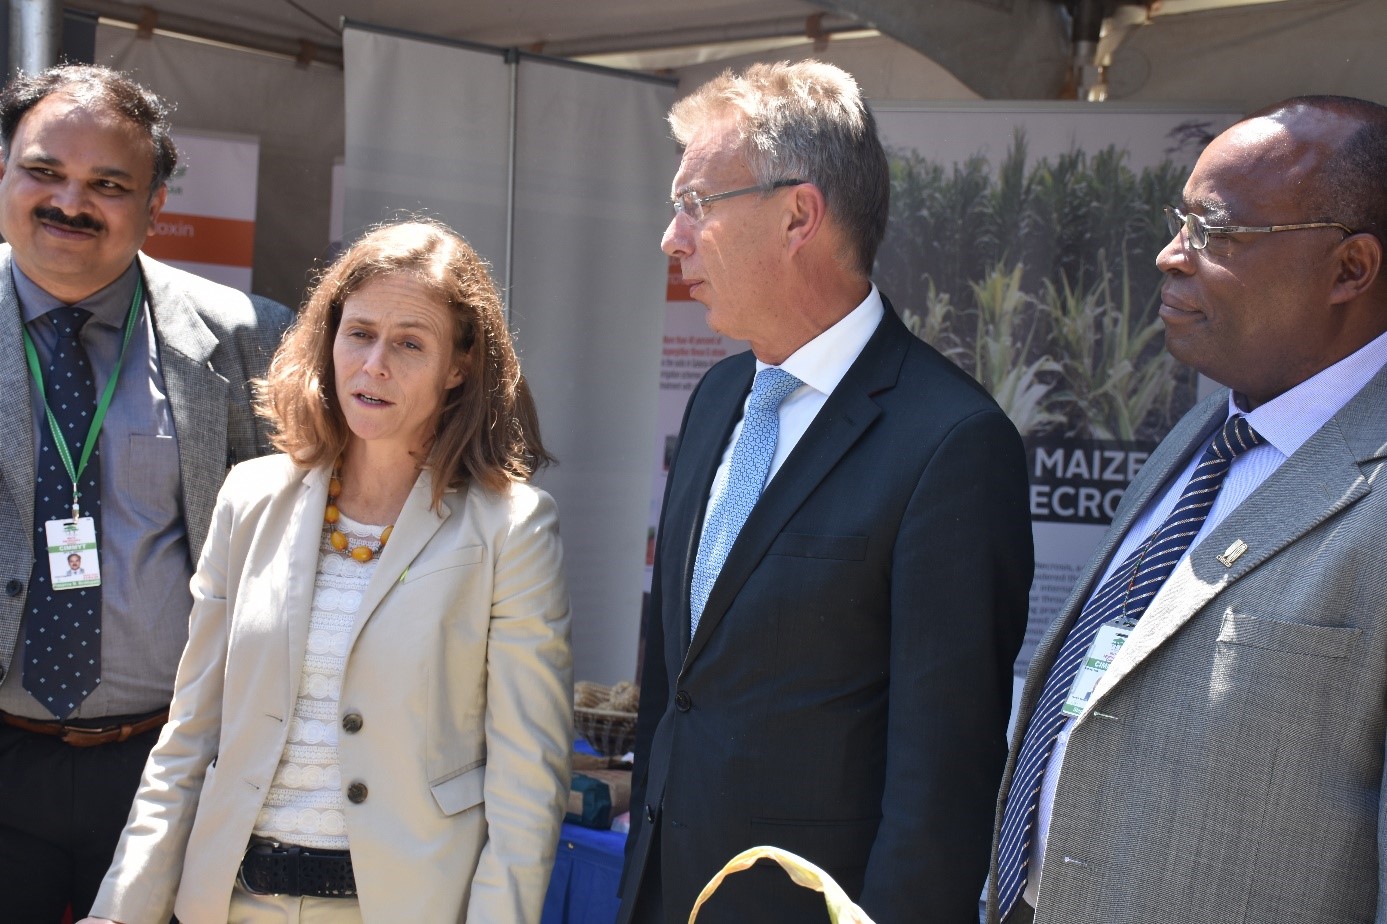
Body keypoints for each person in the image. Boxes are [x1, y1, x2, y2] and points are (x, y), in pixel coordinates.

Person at [618, 60, 1034, 924]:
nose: (671, 237)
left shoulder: (951, 444)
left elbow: (942, 776)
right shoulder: (715, 400)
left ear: (797, 215)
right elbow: (676, 689)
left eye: (696, 204)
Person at [80, 219, 573, 923]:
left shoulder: (513, 528)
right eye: (359, 332)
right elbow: (187, 741)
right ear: (328, 336)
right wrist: (120, 911)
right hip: (230, 902)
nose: (373, 365)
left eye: (409, 344)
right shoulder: (250, 496)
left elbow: (527, 790)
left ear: (459, 365)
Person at [988, 95, 1387, 924]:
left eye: (1216, 233)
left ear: (1350, 269)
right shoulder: (1210, 435)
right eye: (1180, 224)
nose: (1172, 256)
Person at [0, 63, 292, 919]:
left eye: (109, 184)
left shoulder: (247, 338)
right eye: (44, 171)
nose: (69, 202)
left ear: (156, 203)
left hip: (166, 767)